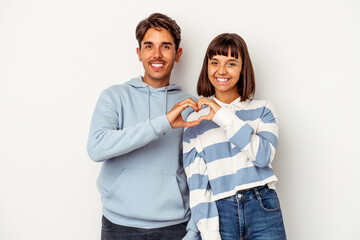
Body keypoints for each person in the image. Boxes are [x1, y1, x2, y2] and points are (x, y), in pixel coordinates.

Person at [87, 13, 200, 240]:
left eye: (165, 46)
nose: (157, 54)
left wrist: (194, 229)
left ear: (178, 54)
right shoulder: (114, 96)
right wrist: (164, 122)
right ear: (139, 53)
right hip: (119, 225)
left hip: (175, 226)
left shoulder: (189, 106)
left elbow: (201, 173)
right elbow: (96, 148)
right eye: (149, 46)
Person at [183, 33, 287, 240]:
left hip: (263, 206)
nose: (221, 71)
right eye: (215, 63)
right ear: (207, 67)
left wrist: (222, 115)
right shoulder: (195, 119)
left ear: (243, 68)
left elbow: (263, 156)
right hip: (221, 213)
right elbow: (198, 185)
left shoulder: (263, 109)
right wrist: (209, 233)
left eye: (231, 63)